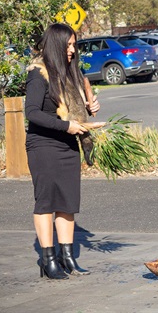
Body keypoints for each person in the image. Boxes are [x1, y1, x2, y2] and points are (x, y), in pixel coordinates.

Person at [25, 23, 100, 279]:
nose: (72, 50)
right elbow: (32, 113)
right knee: (46, 202)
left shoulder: (71, 74)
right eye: (68, 45)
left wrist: (90, 107)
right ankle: (48, 260)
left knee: (67, 202)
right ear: (56, 45)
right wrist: (65, 125)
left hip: (68, 143)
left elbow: (76, 109)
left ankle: (67, 258)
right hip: (44, 144)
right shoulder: (38, 74)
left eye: (74, 45)